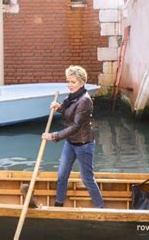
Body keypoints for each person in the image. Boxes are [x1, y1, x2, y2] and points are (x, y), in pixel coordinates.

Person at [42, 65, 104, 208]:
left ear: (81, 83)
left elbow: (76, 125)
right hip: (70, 143)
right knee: (62, 175)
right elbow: (68, 112)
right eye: (68, 81)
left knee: (87, 179)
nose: (69, 85)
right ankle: (59, 203)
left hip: (84, 144)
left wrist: (54, 136)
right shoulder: (72, 97)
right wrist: (59, 107)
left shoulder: (85, 100)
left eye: (73, 82)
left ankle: (100, 207)